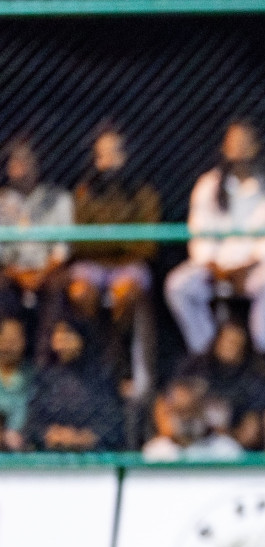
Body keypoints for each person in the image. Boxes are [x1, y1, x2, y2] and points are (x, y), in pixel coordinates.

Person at [165, 120, 265, 356]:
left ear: (257, 147)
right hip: (214, 269)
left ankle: (260, 352)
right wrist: (214, 266)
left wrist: (248, 265)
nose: (239, 148)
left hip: (253, 269)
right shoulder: (208, 184)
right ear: (224, 147)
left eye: (245, 142)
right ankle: (205, 350)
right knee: (178, 285)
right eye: (234, 142)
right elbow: (199, 233)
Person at [68, 125, 161, 394]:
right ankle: (97, 356)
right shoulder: (85, 193)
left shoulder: (143, 193)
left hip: (129, 265)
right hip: (94, 265)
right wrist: (117, 242)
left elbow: (146, 245)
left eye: (114, 153)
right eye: (102, 155)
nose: (108, 161)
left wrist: (106, 241)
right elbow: (79, 243)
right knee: (81, 291)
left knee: (124, 293)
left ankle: (121, 360)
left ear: (127, 155)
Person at [175, 319, 265, 453]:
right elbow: (170, 400)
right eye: (228, 341)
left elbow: (250, 433)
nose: (231, 348)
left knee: (226, 449)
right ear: (217, 341)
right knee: (159, 451)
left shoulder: (253, 377)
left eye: (236, 344)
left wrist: (227, 433)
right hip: (187, 439)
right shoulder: (197, 367)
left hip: (228, 445)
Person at [22, 317, 123, 452]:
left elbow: (113, 425)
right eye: (58, 335)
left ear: (82, 338)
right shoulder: (45, 378)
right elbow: (31, 424)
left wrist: (83, 438)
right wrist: (50, 434)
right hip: (49, 457)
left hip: (96, 458)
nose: (62, 341)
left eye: (68, 334)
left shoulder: (101, 378)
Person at [0, 138, 72, 321]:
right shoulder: (3, 202)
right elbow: (3, 252)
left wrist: (41, 273)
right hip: (13, 273)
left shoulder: (58, 198)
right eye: (14, 161)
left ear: (37, 162)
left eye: (25, 160)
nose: (20, 167)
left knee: (57, 286)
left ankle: (44, 349)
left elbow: (62, 249)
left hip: (48, 271)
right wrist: (19, 274)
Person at [141, 375, 245, 462]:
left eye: (192, 410)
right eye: (180, 411)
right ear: (169, 412)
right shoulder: (155, 453)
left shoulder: (227, 451)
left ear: (205, 411)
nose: (187, 417)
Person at [0, 316, 31, 450]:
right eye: (5, 339)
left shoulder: (34, 377)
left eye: (14, 341)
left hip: (26, 448)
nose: (9, 346)